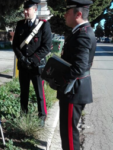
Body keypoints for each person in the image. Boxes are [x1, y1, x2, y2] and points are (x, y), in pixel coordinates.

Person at [49, 0, 96, 149]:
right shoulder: (80, 32)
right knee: (67, 131)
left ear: (78, 14)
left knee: (69, 133)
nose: (64, 15)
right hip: (74, 89)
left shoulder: (83, 34)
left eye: (67, 12)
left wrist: (59, 80)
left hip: (73, 90)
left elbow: (79, 67)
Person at [12, 0, 52, 126]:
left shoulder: (44, 25)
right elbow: (15, 45)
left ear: (35, 9)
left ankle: (42, 117)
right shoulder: (20, 24)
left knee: (40, 94)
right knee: (23, 93)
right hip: (23, 66)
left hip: (37, 66)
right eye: (24, 9)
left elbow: (46, 47)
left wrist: (32, 59)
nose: (25, 12)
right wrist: (22, 58)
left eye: (27, 9)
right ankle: (24, 115)